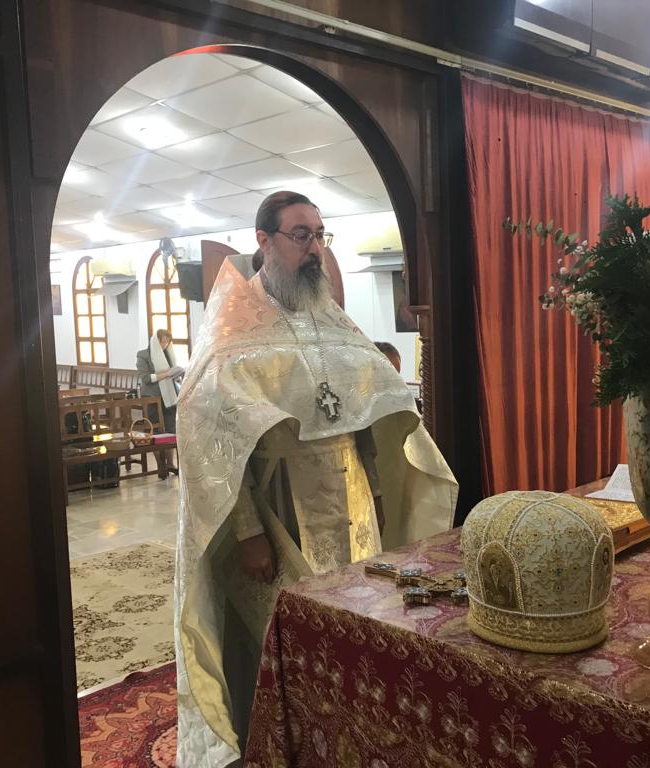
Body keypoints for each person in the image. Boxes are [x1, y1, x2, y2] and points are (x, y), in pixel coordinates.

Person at [174, 190, 457, 767]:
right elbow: (211, 437)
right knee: (284, 635)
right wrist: (248, 531)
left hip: (352, 500)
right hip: (282, 507)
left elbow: (369, 409)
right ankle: (288, 745)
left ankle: (355, 736)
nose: (314, 249)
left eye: (320, 235)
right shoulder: (232, 325)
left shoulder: (329, 317)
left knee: (359, 620)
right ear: (264, 241)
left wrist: (379, 488)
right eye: (301, 235)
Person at [136, 328, 183, 433]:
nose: (164, 345)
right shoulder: (143, 355)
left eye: (167, 342)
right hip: (152, 395)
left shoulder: (168, 354)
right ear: (155, 342)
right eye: (162, 342)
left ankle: (170, 441)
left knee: (172, 427)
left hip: (169, 394)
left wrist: (177, 375)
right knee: (153, 428)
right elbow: (146, 378)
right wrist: (166, 374)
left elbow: (172, 372)